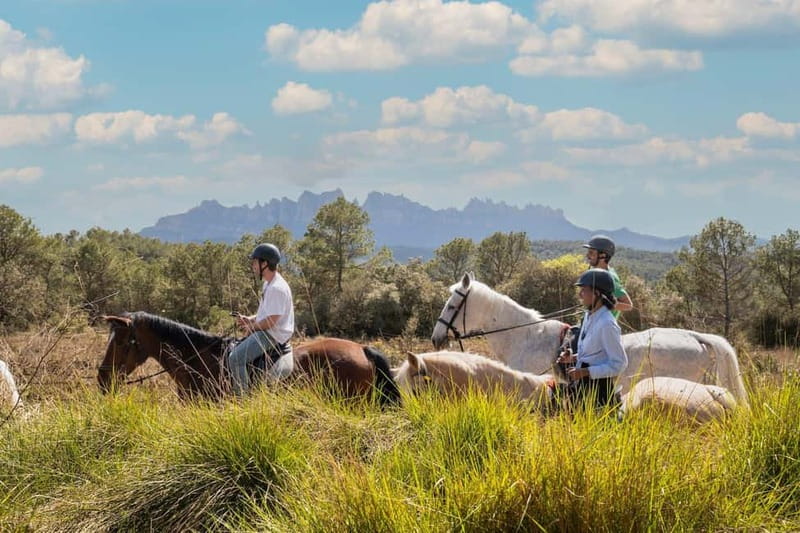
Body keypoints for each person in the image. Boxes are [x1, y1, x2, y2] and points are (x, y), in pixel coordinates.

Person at [228, 243, 295, 395]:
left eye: (255, 262)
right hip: (268, 331)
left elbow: (271, 321)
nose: (253, 266)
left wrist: (252, 327)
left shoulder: (276, 288)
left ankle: (242, 401)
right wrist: (249, 319)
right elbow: (266, 313)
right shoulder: (268, 284)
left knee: (235, 359)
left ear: (264, 263)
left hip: (272, 335)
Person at [556, 268, 628, 410]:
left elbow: (619, 364)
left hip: (598, 393)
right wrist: (573, 358)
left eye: (584, 290)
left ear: (597, 294)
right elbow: (594, 354)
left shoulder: (607, 324)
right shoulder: (589, 316)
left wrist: (586, 372)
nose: (580, 295)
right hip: (581, 388)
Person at [582, 234, 633, 320]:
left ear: (603, 255)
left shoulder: (610, 277)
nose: (587, 256)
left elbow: (628, 305)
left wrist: (605, 304)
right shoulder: (597, 274)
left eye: (591, 252)